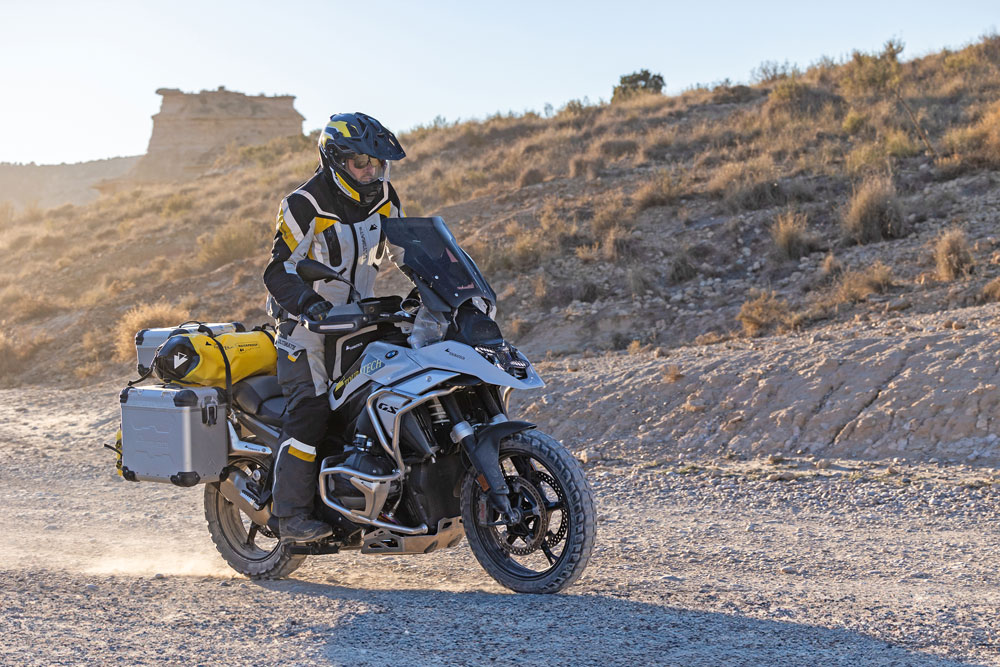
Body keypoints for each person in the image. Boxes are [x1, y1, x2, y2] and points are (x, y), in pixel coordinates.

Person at [262, 112, 406, 542]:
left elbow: (407, 251)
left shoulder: (385, 197)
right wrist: (309, 304)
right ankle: (289, 516)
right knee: (311, 412)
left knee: (390, 392)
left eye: (377, 163)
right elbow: (278, 270)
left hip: (359, 320)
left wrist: (436, 287)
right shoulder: (304, 203)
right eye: (361, 162)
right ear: (336, 160)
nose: (370, 172)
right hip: (306, 327)